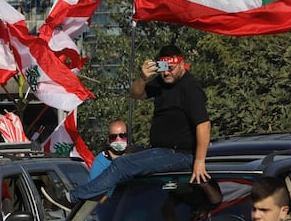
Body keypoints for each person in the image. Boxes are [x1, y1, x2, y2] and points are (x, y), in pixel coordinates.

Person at [70, 44, 210, 201]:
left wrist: (199, 161)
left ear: (182, 65)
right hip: (161, 150)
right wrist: (143, 78)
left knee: (121, 165)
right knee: (125, 154)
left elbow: (203, 124)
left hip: (180, 154)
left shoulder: (190, 87)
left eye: (170, 68)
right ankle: (108, 199)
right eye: (162, 68)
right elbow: (136, 94)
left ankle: (75, 198)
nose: (165, 73)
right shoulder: (163, 81)